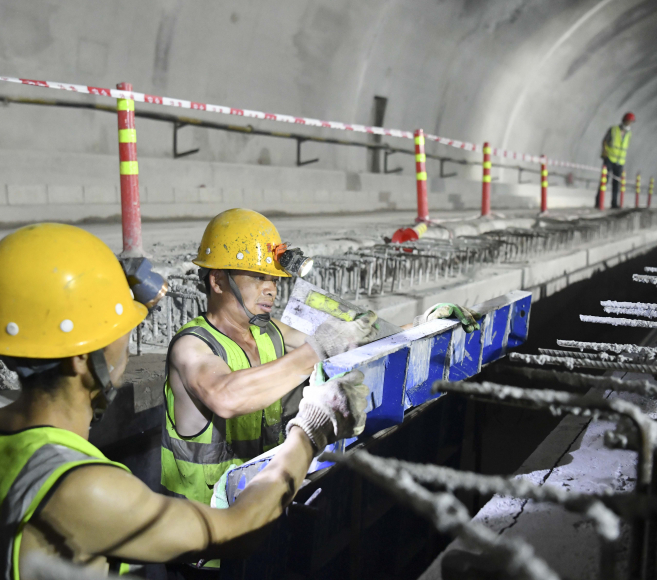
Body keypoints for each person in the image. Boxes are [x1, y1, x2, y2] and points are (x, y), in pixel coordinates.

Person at [0, 222, 369, 580]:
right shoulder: (84, 489)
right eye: (121, 331)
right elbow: (238, 530)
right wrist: (311, 433)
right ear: (80, 359)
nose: (127, 345)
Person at [162, 209, 481, 513]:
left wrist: (420, 326)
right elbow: (226, 396)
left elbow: (359, 340)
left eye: (274, 280)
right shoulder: (191, 347)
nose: (271, 289)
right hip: (204, 538)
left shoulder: (269, 332)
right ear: (217, 281)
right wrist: (321, 347)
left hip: (260, 512)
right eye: (259, 277)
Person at [600, 112, 635, 209]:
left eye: (631, 122)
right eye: (628, 121)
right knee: (604, 181)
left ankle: (614, 204)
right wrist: (604, 152)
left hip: (620, 162)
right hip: (610, 159)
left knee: (616, 184)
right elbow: (605, 141)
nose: (629, 124)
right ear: (624, 120)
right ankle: (599, 202)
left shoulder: (629, 134)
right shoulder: (614, 130)